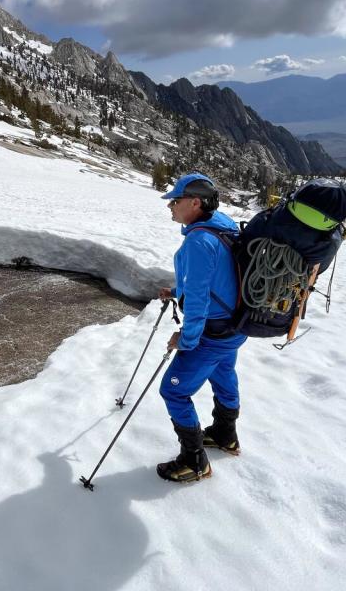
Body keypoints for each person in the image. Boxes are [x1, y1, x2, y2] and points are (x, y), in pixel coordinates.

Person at [156, 172, 246, 483]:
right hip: (236, 327)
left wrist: (187, 339)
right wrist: (176, 291)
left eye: (175, 201)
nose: (171, 206)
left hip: (211, 331)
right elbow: (218, 281)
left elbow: (198, 300)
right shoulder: (224, 227)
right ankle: (225, 434)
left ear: (195, 202)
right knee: (223, 374)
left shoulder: (198, 241)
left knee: (173, 390)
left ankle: (193, 461)